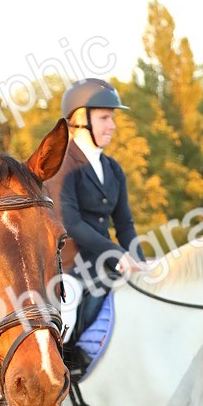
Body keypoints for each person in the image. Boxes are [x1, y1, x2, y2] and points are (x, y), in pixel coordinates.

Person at [45, 78, 147, 294]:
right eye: (104, 118)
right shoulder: (62, 164)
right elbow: (70, 223)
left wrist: (139, 263)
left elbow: (124, 224)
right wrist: (117, 253)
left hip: (107, 269)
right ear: (81, 119)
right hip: (70, 273)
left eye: (112, 118)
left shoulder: (113, 168)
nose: (112, 125)